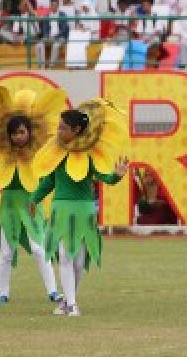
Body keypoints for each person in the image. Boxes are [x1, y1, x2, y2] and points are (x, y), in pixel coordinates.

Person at [0, 84, 62, 305]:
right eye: (14, 133)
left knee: (38, 249)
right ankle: (3, 294)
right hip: (8, 207)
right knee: (5, 254)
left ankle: (53, 292)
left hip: (31, 205)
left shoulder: (39, 153)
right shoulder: (2, 155)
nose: (18, 137)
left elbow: (48, 178)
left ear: (29, 132)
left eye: (22, 132)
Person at [31, 102, 129, 317]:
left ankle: (68, 301)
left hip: (84, 210)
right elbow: (49, 182)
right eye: (59, 127)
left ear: (76, 130)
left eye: (64, 128)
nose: (59, 131)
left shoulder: (88, 153)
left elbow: (104, 177)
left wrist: (117, 176)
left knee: (78, 262)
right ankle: (73, 305)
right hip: (61, 209)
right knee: (65, 256)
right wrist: (34, 199)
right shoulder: (57, 152)